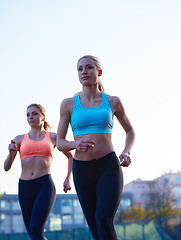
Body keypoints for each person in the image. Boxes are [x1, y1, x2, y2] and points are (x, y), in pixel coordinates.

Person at [56, 55, 135, 240]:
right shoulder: (68, 104)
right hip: (82, 170)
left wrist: (126, 151)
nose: (84, 72)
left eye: (88, 67)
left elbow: (130, 131)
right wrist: (75, 144)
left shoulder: (113, 101)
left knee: (103, 220)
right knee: (94, 227)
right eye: (80, 69)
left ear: (99, 72)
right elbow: (59, 142)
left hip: (109, 167)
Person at [4, 103, 73, 240]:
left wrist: (67, 178)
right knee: (33, 233)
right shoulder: (19, 139)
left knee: (36, 229)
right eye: (28, 115)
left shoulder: (53, 137)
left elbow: (70, 156)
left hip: (44, 186)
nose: (31, 117)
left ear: (43, 117)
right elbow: (6, 167)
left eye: (35, 114)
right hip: (24, 187)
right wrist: (11, 153)